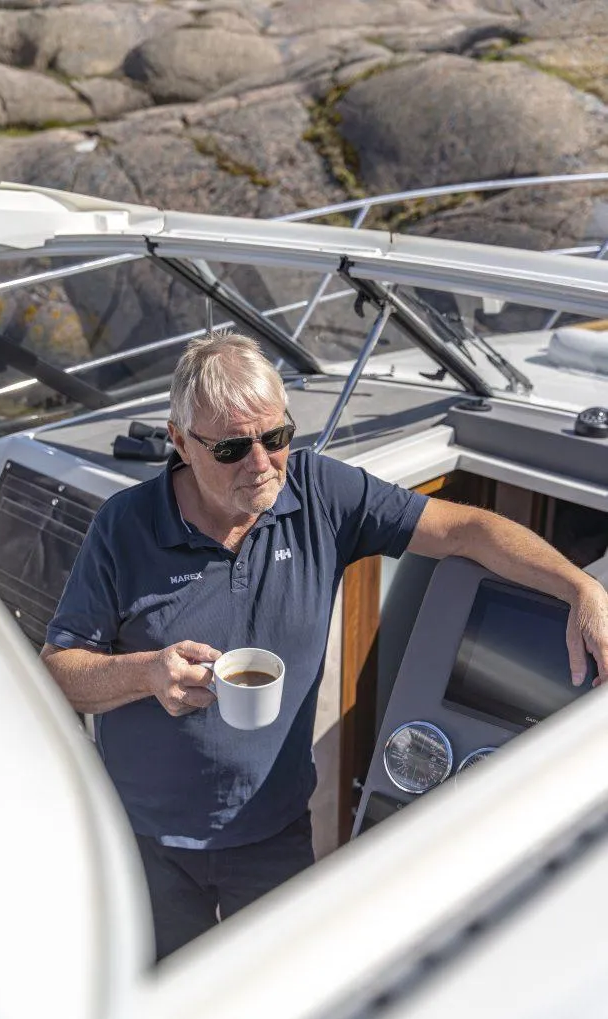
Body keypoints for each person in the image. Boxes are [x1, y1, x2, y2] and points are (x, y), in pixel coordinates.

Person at [41, 332, 608, 960]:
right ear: (180, 442)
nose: (261, 463)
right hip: (145, 841)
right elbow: (60, 671)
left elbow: (465, 530)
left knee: (285, 978)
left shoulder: (318, 494)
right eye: (231, 448)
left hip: (274, 829)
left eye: (277, 436)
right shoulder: (123, 526)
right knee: (172, 992)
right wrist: (148, 673)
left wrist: (580, 587)